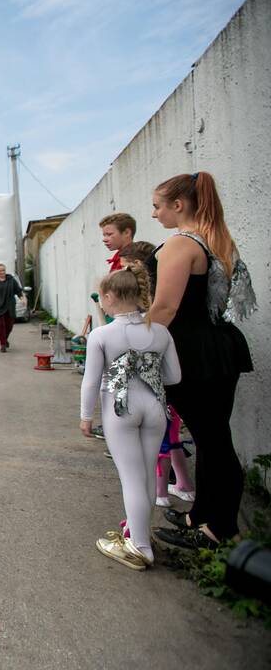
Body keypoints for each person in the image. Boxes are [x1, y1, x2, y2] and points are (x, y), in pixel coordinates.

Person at [147, 171, 255, 550]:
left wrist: (138, 352)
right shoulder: (217, 237)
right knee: (212, 437)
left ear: (179, 205)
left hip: (194, 354)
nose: (155, 213)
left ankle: (223, 528)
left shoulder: (180, 243)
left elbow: (165, 306)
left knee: (214, 440)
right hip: (219, 346)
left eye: (158, 206)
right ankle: (203, 514)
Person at [79, 266, 180, 570]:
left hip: (120, 408)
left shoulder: (102, 335)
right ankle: (139, 532)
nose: (101, 303)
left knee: (131, 478)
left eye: (102, 298)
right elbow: (174, 376)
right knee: (148, 473)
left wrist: (86, 416)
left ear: (110, 296)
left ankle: (140, 546)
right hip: (154, 406)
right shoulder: (160, 332)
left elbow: (91, 381)